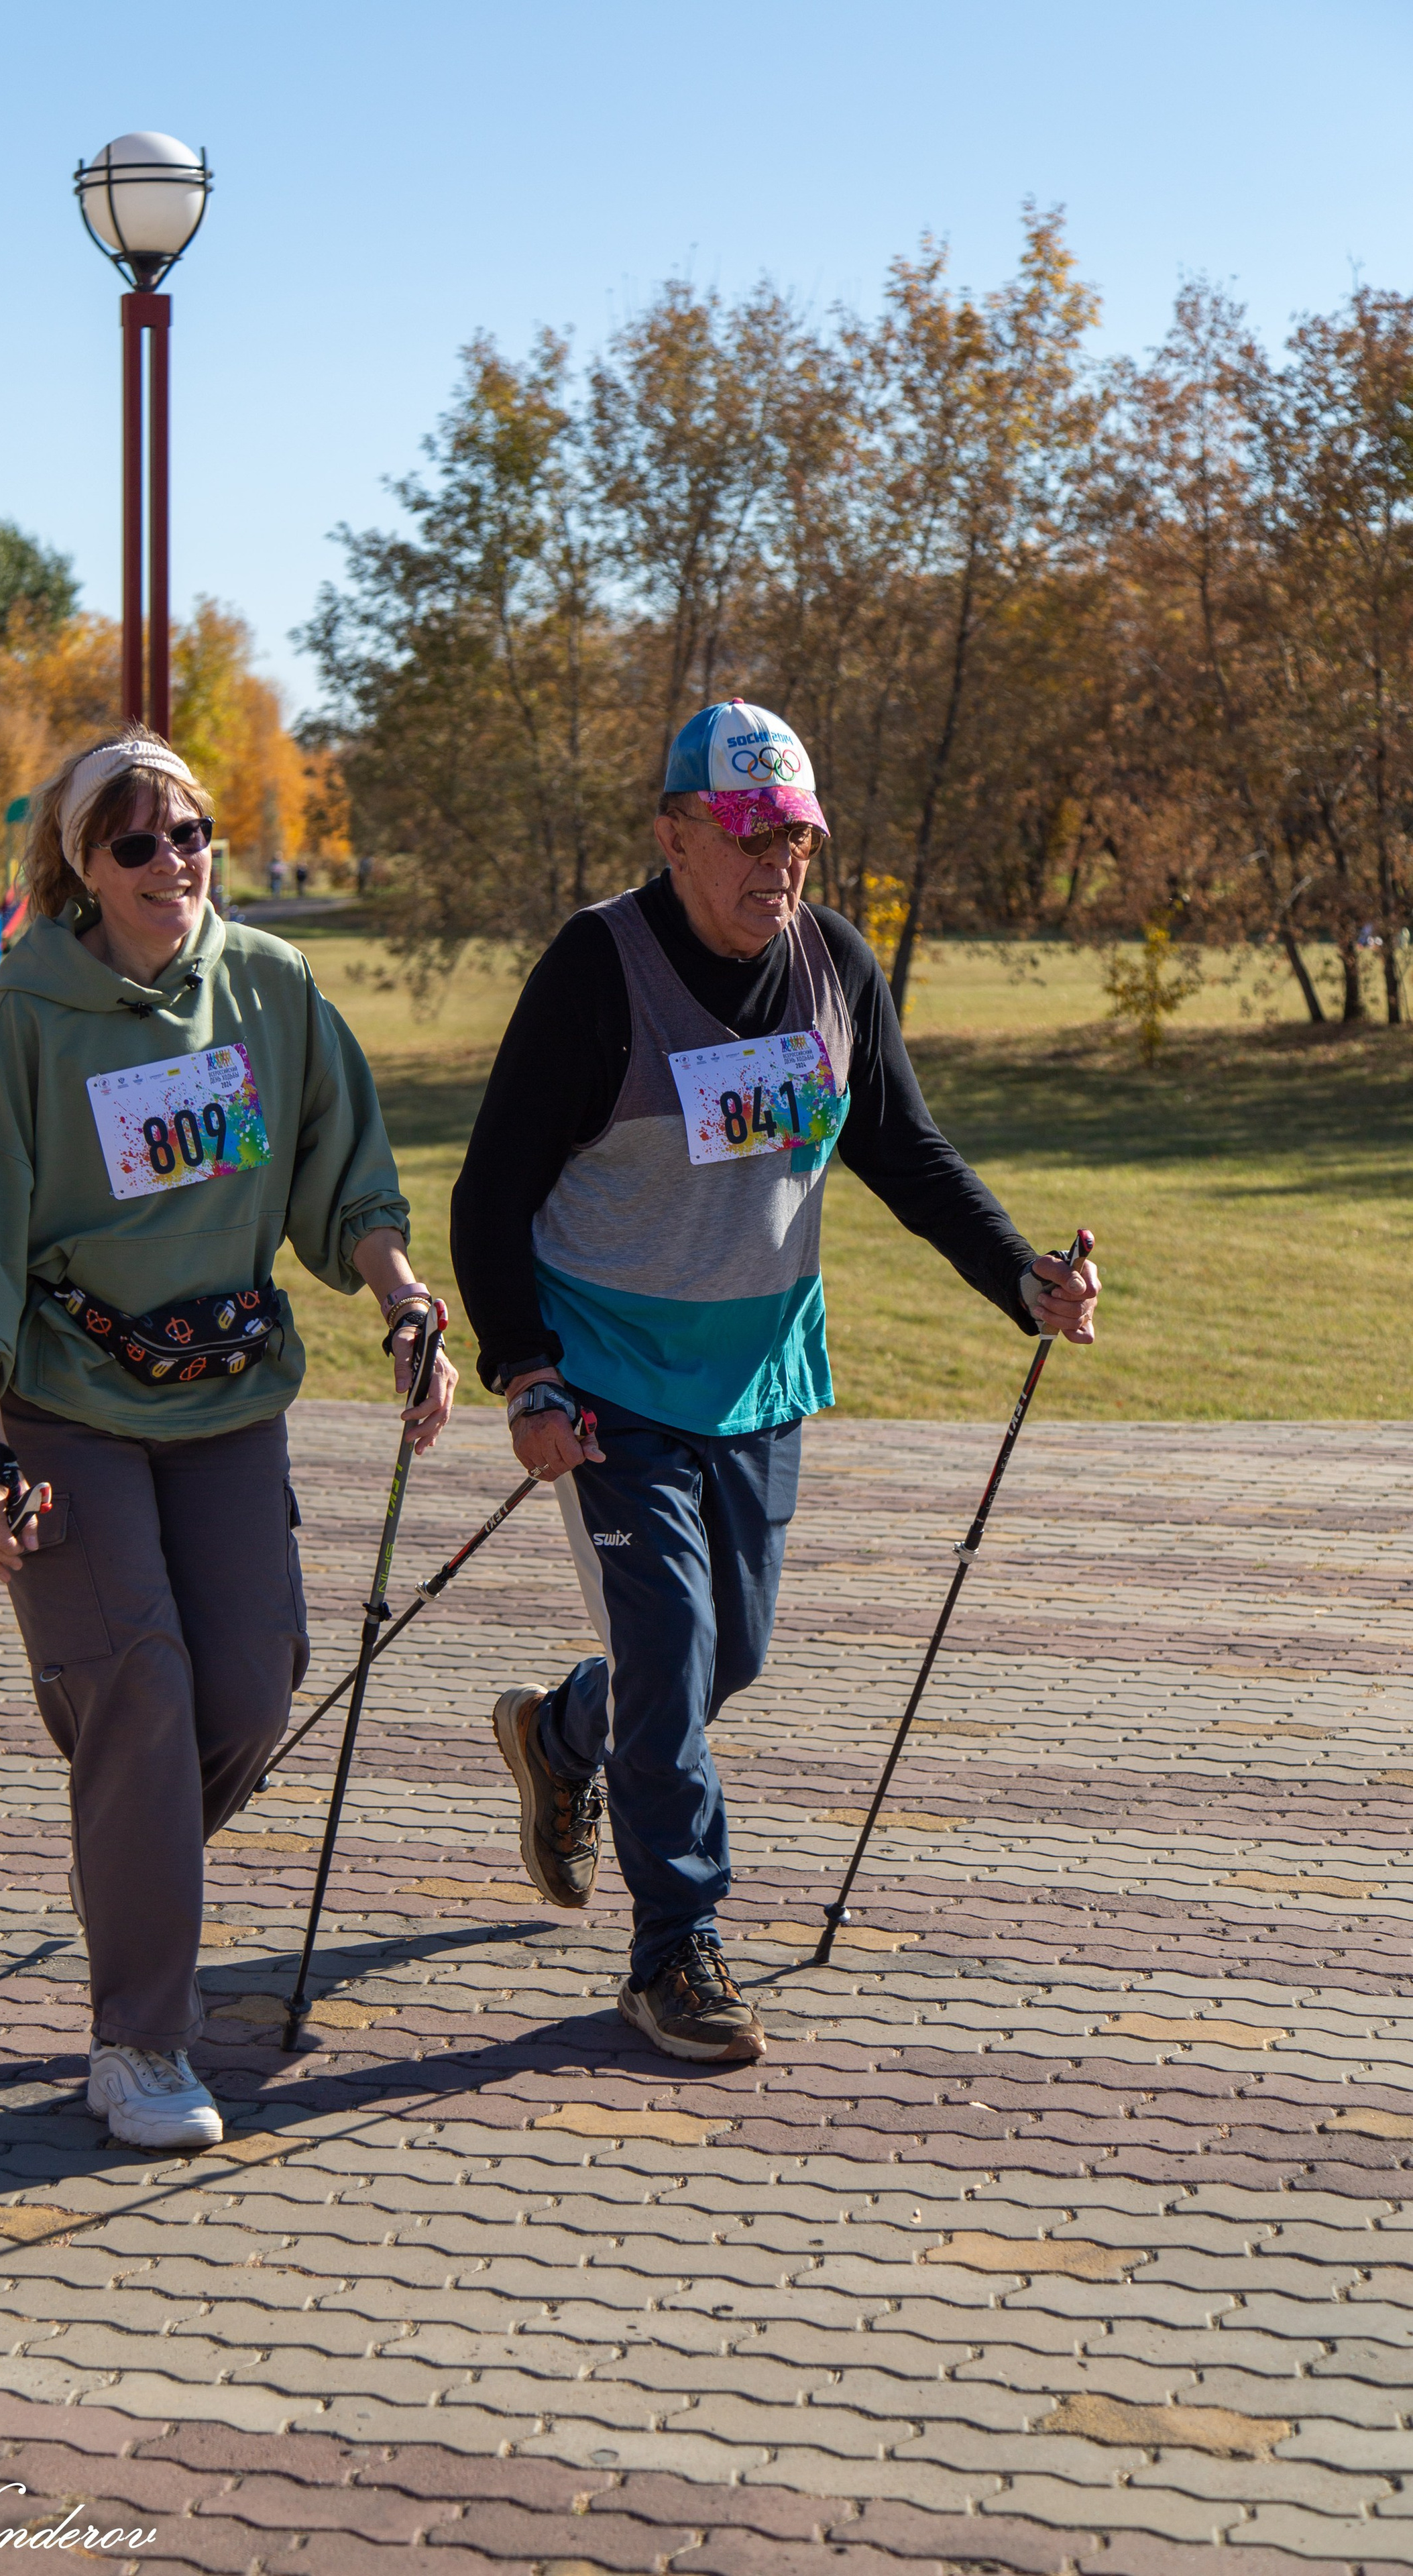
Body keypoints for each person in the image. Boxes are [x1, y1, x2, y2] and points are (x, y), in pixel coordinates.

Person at [451, 699, 1100, 2066]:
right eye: (746, 834)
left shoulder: (831, 970)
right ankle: (671, 1947)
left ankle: (566, 1733)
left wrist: (1017, 1277)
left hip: (755, 1374)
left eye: (794, 834)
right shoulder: (595, 970)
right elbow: (490, 1192)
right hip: (608, 1380)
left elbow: (905, 1154)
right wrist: (523, 1372)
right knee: (675, 1657)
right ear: (673, 833)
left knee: (719, 1654)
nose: (776, 864)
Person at [0, 722, 457, 2148]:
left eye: (192, 832)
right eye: (136, 841)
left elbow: (347, 1180)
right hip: (64, 1404)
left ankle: (126, 1837)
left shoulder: (267, 987)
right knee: (139, 1678)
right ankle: (139, 2040)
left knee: (253, 1684)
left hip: (225, 1397)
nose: (174, 862)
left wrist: (402, 1302)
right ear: (82, 867)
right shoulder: (29, 1017)